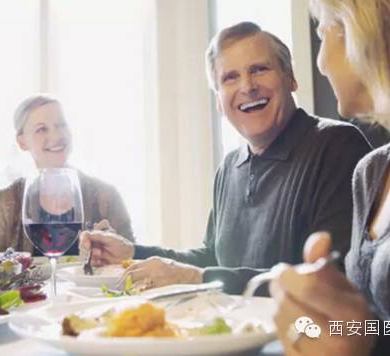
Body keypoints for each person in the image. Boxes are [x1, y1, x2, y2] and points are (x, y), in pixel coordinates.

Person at [80, 22, 371, 292]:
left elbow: (331, 280)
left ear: (291, 78)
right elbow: (212, 257)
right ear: (219, 100)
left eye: (259, 69)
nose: (247, 86)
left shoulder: (337, 146)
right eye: (230, 77)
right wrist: (132, 253)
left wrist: (199, 279)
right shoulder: (230, 167)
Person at [270, 0, 390, 354]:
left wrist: (368, 344)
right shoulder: (370, 174)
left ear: (361, 29)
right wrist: (319, 322)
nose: (319, 63)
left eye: (322, 33)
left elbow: (372, 337)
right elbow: (370, 328)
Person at [0, 94, 134, 256]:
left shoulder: (106, 196)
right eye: (41, 129)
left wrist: (114, 249)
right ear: (22, 142)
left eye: (61, 125)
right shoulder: (3, 202)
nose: (56, 136)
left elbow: (134, 261)